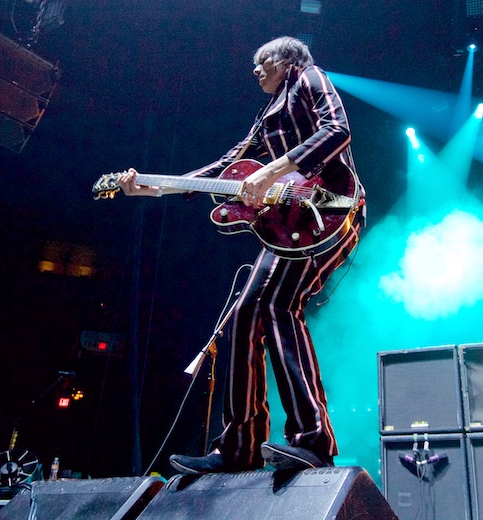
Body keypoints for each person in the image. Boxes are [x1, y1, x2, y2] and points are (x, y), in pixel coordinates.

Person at [117, 36, 364, 474]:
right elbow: (225, 165)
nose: (254, 69)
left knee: (278, 306)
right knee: (245, 315)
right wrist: (157, 187)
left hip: (329, 208)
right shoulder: (264, 119)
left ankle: (313, 441)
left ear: (287, 60)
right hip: (288, 226)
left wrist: (270, 172)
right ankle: (240, 448)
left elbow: (336, 130)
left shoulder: (309, 77)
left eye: (262, 61)